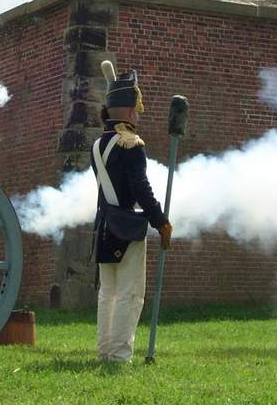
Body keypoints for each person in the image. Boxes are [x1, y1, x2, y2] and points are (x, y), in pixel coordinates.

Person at [92, 62, 172, 363]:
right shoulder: (131, 144)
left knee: (107, 293)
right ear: (128, 112)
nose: (137, 115)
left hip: (103, 225)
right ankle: (120, 355)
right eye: (135, 110)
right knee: (130, 294)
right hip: (125, 226)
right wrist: (161, 222)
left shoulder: (98, 144)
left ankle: (105, 351)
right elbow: (141, 189)